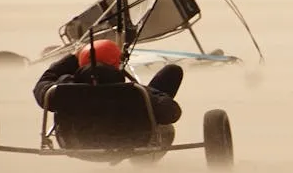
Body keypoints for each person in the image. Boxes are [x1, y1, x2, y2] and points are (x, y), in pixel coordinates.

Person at [33, 39, 184, 125]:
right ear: (116, 64)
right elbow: (172, 113)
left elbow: (42, 83)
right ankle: (144, 162)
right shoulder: (135, 93)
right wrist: (151, 92)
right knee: (172, 72)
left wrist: (72, 58)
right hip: (129, 143)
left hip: (74, 143)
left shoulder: (62, 89)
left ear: (81, 63)